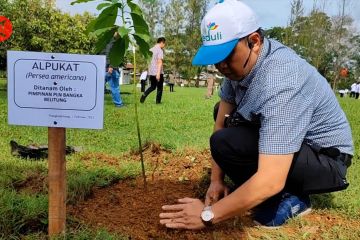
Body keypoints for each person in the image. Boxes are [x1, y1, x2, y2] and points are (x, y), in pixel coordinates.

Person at [159, 0, 353, 230]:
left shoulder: (281, 81)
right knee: (225, 133)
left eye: (227, 55)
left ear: (254, 42)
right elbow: (220, 125)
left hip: (325, 159)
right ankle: (267, 190)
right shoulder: (238, 70)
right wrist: (215, 181)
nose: (221, 65)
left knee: (239, 149)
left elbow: (270, 179)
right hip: (297, 145)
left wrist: (207, 216)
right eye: (215, 58)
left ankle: (292, 197)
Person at [140, 37, 166, 104]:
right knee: (160, 88)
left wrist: (149, 71)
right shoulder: (160, 50)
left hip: (151, 72)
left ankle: (144, 95)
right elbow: (159, 62)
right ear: (161, 42)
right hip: (158, 72)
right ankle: (158, 102)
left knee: (152, 86)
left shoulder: (150, 50)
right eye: (164, 43)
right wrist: (158, 74)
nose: (164, 45)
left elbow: (148, 61)